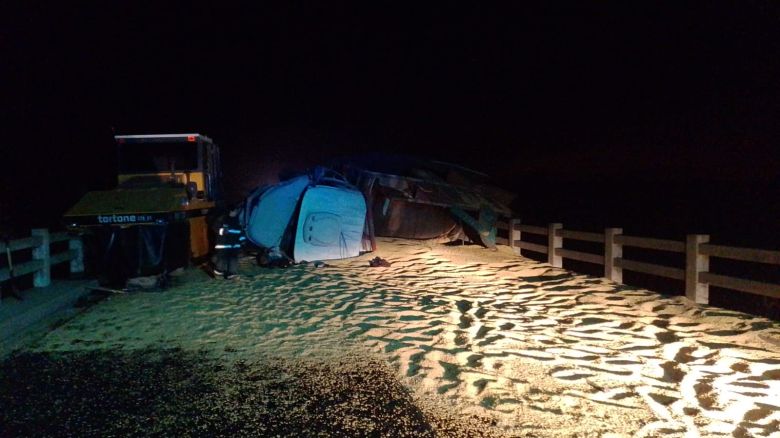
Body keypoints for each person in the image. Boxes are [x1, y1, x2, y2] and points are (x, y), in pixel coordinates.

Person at [211, 208, 245, 279]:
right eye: (233, 211)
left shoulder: (237, 221)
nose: (234, 213)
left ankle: (231, 273)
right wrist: (222, 231)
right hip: (223, 244)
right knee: (222, 259)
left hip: (234, 245)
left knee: (233, 259)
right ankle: (218, 272)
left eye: (235, 211)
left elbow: (241, 232)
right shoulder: (222, 219)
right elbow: (215, 227)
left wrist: (242, 240)